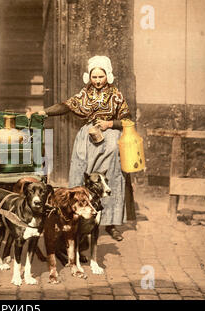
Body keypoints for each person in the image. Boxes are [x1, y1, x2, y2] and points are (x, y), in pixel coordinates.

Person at [27, 55, 132, 241]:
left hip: (110, 143)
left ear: (108, 75)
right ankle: (83, 222)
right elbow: (65, 106)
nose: (98, 81)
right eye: (94, 77)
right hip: (87, 140)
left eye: (101, 77)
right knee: (83, 176)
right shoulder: (84, 95)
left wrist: (109, 124)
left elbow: (127, 120)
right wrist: (44, 112)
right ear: (89, 77)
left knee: (109, 181)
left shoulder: (117, 96)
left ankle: (110, 223)